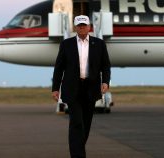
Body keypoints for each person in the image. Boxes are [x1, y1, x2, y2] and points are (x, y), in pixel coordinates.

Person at [51, 15, 111, 158]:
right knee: (76, 122)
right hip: (73, 88)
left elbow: (105, 65)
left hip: (91, 88)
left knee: (86, 123)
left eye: (84, 25)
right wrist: (55, 88)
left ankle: (78, 149)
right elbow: (59, 68)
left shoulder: (99, 44)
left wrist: (105, 82)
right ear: (75, 27)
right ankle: (78, 155)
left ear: (89, 27)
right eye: (79, 25)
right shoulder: (66, 44)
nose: (82, 27)